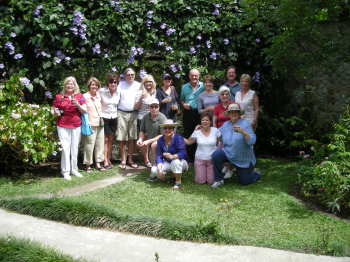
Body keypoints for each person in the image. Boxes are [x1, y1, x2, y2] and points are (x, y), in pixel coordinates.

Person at [211, 103, 261, 188]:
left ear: (239, 113)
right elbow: (215, 132)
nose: (233, 113)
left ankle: (255, 173)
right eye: (231, 112)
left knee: (244, 181)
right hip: (228, 153)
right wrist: (203, 128)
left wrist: (242, 132)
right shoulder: (226, 125)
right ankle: (218, 179)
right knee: (216, 155)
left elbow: (252, 141)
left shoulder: (245, 124)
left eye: (236, 112)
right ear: (228, 114)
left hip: (243, 158)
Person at [52, 76, 87, 180]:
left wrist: (78, 105)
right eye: (68, 83)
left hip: (76, 125)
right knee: (65, 148)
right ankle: (65, 171)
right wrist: (55, 112)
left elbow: (85, 110)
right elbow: (53, 109)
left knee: (75, 147)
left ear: (75, 85)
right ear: (65, 85)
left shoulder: (79, 96)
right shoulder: (59, 97)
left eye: (72, 83)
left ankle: (74, 170)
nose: (70, 85)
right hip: (62, 125)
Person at [151, 119, 188, 189]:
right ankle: (167, 177)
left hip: (181, 162)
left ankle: (178, 183)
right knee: (154, 170)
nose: (167, 130)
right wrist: (159, 166)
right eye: (165, 128)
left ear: (173, 129)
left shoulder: (179, 138)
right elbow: (159, 155)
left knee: (175, 162)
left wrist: (172, 156)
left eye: (170, 128)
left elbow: (183, 153)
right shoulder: (160, 139)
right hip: (167, 162)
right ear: (163, 129)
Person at [185, 113, 220, 185]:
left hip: (212, 160)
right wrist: (177, 136)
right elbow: (188, 142)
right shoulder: (197, 132)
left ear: (210, 122)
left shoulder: (215, 130)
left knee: (211, 181)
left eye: (207, 120)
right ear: (200, 122)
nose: (205, 121)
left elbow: (219, 143)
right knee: (200, 181)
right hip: (200, 159)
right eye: (203, 120)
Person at [116, 68, 141, 169]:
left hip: (134, 113)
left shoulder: (139, 85)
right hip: (121, 113)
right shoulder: (120, 84)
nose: (130, 76)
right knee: (122, 138)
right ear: (124, 76)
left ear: (135, 75)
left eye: (132, 74)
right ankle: (123, 159)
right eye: (128, 75)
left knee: (132, 138)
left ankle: (130, 159)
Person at [180, 68, 204, 162]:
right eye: (192, 75)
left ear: (199, 76)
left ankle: (199, 156)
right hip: (188, 113)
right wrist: (183, 104)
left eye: (196, 75)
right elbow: (181, 99)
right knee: (188, 133)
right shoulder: (184, 87)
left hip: (200, 113)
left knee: (200, 132)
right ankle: (190, 158)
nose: (194, 77)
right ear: (189, 76)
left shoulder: (203, 86)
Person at [82, 77, 105, 172]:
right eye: (92, 84)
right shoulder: (84, 96)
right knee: (89, 144)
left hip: (100, 123)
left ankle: (98, 163)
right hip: (90, 124)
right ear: (89, 86)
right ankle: (88, 164)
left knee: (100, 144)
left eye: (96, 85)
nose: (94, 86)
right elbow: (83, 109)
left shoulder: (99, 96)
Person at [137, 98, 167, 168]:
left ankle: (155, 165)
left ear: (159, 107)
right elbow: (142, 131)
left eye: (156, 107)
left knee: (154, 145)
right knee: (142, 143)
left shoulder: (162, 118)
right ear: (149, 108)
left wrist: (149, 141)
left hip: (164, 140)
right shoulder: (145, 117)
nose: (154, 109)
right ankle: (147, 161)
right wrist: (140, 139)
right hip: (151, 138)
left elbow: (162, 135)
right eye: (152, 107)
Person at [99, 73, 120, 169]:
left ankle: (108, 158)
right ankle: (105, 160)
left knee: (111, 139)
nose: (113, 84)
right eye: (111, 82)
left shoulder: (118, 92)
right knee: (105, 140)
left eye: (115, 82)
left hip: (114, 117)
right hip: (105, 117)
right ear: (108, 83)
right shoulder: (102, 91)